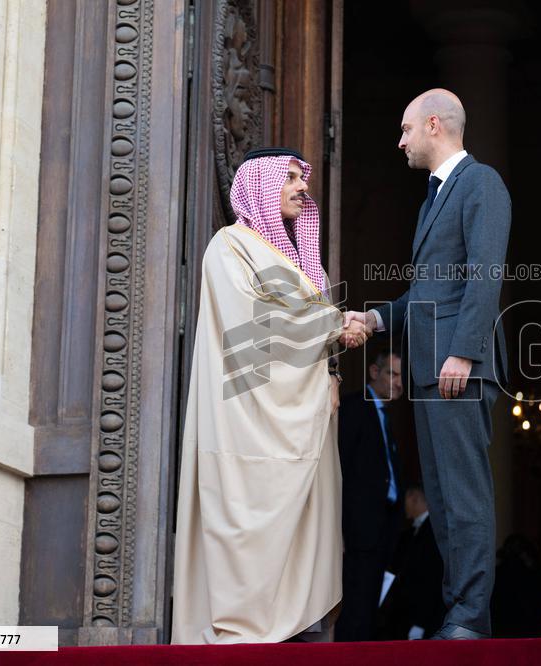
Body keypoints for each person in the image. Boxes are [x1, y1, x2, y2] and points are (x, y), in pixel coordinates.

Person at [171, 148, 370, 644]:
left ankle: (303, 629)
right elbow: (249, 325)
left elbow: (306, 337)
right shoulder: (230, 247)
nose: (304, 187)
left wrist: (332, 369)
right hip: (247, 421)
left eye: (304, 179)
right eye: (290, 178)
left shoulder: (303, 265)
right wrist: (333, 323)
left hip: (306, 426)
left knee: (310, 537)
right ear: (258, 185)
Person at [346, 88, 512, 640]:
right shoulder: (431, 199)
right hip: (429, 371)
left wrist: (463, 351)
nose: (401, 141)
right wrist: (372, 321)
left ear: (434, 125)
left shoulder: (481, 183)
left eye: (406, 129)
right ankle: (461, 614)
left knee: (464, 494)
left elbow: (485, 274)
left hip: (456, 366)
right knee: (442, 502)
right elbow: (426, 294)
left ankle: (469, 617)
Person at [335, 349, 405, 641]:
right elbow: (342, 466)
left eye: (403, 377)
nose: (400, 383)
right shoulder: (354, 407)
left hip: (383, 528)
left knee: (370, 611)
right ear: (374, 373)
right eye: (393, 374)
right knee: (355, 610)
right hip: (358, 530)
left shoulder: (387, 418)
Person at [382, 485, 446, 640]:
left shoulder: (433, 530)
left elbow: (430, 578)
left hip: (425, 617)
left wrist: (420, 622)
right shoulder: (412, 532)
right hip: (408, 615)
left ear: (414, 498)